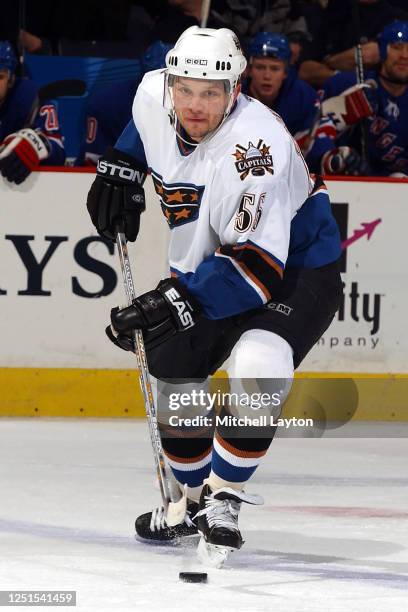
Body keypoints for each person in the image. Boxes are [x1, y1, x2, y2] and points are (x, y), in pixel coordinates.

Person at [86, 26, 342, 564]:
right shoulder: (153, 92)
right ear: (170, 83)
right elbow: (145, 124)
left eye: (210, 93)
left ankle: (225, 495)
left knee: (259, 359)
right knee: (174, 360)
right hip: (212, 260)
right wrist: (124, 163)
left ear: (235, 91)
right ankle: (190, 501)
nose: (194, 105)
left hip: (295, 264)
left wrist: (166, 302)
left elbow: (253, 269)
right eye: (185, 89)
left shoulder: (257, 150)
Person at [316, 21, 408, 176]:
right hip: (349, 183)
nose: (405, 55)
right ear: (381, 50)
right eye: (396, 47)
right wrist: (334, 158)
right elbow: (310, 135)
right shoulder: (347, 84)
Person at [77, 41, 172, 165]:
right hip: (122, 176)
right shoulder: (108, 104)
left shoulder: (195, 107)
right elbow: (93, 164)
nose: (161, 88)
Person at [298, 0, 408, 88]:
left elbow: (369, 56)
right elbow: (305, 71)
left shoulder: (395, 18)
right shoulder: (333, 14)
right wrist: (344, 79)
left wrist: (329, 62)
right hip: (331, 101)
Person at [242, 32, 320, 151]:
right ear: (249, 70)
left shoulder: (304, 97)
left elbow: (312, 146)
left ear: (285, 73)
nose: (267, 76)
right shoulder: (233, 98)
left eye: (275, 68)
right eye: (260, 67)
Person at [0, 42, 65, 185]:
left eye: (0, 77)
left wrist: (36, 143)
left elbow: (58, 152)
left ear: (11, 79)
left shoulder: (32, 97)